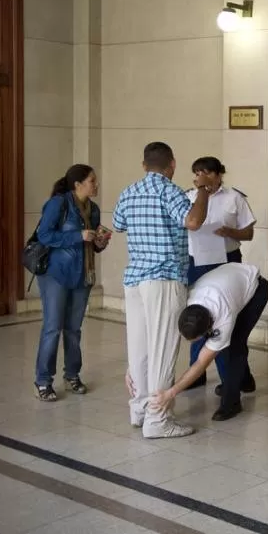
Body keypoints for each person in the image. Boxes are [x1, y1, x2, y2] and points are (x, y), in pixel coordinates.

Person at [112, 142, 210, 439]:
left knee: (139, 349)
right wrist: (203, 190)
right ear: (172, 165)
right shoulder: (169, 191)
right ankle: (159, 420)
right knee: (163, 349)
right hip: (164, 280)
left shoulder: (129, 191)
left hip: (135, 280)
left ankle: (140, 409)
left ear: (144, 165)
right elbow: (193, 221)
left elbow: (118, 225)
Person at [149, 263, 268, 422]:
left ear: (209, 329)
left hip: (256, 289)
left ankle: (232, 402)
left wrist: (171, 393)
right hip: (230, 283)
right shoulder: (186, 299)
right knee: (232, 344)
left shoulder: (222, 318)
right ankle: (244, 381)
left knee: (234, 347)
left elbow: (201, 362)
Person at [32, 165, 110, 401]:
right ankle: (43, 381)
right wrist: (77, 236)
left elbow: (93, 245)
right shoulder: (59, 204)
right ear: (77, 184)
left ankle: (72, 375)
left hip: (82, 275)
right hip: (55, 273)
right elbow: (43, 235)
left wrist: (100, 241)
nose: (96, 185)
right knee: (53, 327)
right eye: (92, 181)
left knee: (73, 329)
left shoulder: (93, 209)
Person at [184, 156, 257, 391]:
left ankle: (237, 378)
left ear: (217, 174)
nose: (199, 178)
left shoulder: (234, 198)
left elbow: (248, 234)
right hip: (197, 261)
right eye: (196, 173)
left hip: (227, 261)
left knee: (229, 322)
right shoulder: (188, 196)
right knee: (197, 316)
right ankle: (196, 373)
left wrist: (230, 232)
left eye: (204, 173)